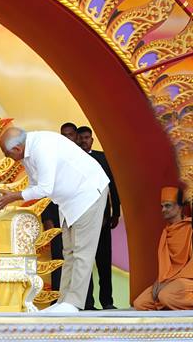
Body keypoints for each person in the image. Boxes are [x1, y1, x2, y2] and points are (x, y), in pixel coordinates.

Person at [0, 127, 109, 313]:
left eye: (8, 154)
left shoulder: (42, 147)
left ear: (16, 148)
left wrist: (13, 197)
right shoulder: (26, 153)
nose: (9, 158)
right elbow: (34, 185)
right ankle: (64, 302)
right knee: (69, 252)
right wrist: (14, 195)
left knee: (82, 252)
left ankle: (74, 303)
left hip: (87, 193)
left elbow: (45, 188)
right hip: (68, 202)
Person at [77, 125, 121, 310]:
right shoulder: (74, 159)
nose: (84, 141)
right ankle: (88, 303)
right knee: (84, 263)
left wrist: (115, 212)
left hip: (102, 220)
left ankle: (107, 301)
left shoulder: (103, 158)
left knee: (104, 262)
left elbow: (113, 187)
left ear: (92, 139)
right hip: (82, 221)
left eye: (87, 137)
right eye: (81, 138)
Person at [133, 186, 193, 310]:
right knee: (140, 303)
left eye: (168, 205)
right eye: (162, 206)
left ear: (179, 207)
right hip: (169, 281)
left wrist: (170, 281)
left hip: (188, 279)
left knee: (165, 296)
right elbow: (167, 267)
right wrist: (159, 281)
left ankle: (170, 300)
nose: (163, 210)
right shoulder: (166, 232)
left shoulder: (190, 228)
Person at [41, 122, 79, 292]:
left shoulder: (84, 159)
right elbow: (46, 190)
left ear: (76, 137)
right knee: (58, 259)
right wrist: (47, 219)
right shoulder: (53, 160)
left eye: (70, 135)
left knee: (80, 259)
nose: (67, 138)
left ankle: (85, 302)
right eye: (64, 135)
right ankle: (57, 298)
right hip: (57, 220)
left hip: (79, 217)